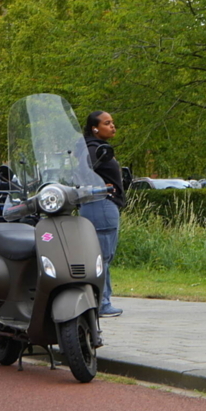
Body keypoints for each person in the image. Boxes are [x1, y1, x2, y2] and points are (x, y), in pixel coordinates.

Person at [81, 111, 126, 318]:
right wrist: (102, 188)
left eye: (112, 122)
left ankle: (98, 300)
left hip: (97, 206)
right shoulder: (95, 150)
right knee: (102, 256)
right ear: (95, 128)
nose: (112, 126)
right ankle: (102, 303)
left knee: (100, 255)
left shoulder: (90, 148)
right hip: (101, 206)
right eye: (107, 123)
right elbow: (83, 174)